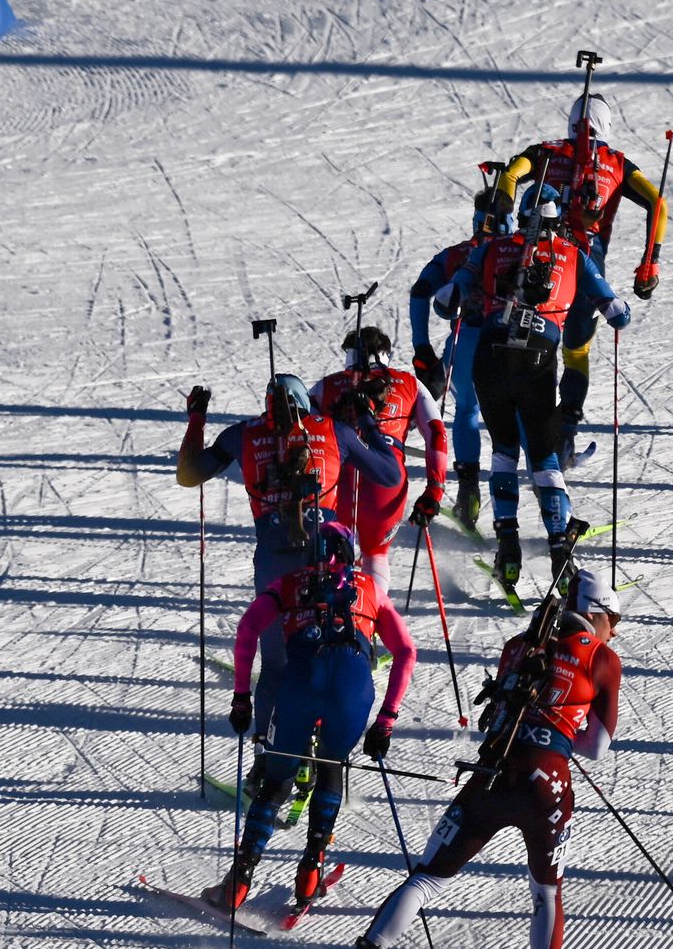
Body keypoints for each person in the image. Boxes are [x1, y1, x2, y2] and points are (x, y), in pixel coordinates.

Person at [312, 568, 624, 949]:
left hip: (492, 777)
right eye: (613, 618)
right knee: (545, 892)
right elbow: (598, 747)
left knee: (427, 879)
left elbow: (496, 716)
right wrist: (559, 734)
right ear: (595, 613)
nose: (615, 629)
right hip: (549, 785)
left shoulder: (519, 644)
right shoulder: (603, 656)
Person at [178, 374, 401, 740]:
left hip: (273, 563)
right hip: (325, 564)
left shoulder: (243, 434)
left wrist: (197, 420)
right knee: (332, 651)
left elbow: (189, 475)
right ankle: (325, 755)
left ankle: (266, 757)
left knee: (276, 665)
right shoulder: (333, 430)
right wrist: (367, 421)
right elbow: (390, 474)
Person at [210, 523, 418, 911]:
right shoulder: (371, 590)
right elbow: (406, 651)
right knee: (331, 769)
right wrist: (386, 720)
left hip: (300, 684)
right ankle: (309, 873)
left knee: (276, 780)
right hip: (352, 690)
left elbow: (247, 629)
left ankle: (239, 880)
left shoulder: (289, 583)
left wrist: (242, 698)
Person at [439, 185, 630, 586]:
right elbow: (616, 313)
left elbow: (448, 297)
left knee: (505, 453)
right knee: (543, 459)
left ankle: (508, 548)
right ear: (558, 217)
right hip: (538, 360)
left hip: (490, 359)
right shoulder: (572, 253)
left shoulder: (492, 248)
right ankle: (560, 549)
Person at [490, 92, 671, 467]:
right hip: (586, 268)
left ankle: (510, 432)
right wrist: (649, 265)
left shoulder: (545, 151)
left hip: (536, 258)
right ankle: (565, 434)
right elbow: (658, 203)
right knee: (575, 350)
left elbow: (509, 176)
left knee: (523, 338)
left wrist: (504, 218)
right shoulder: (618, 163)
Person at [310, 326, 450, 590]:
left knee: (335, 552)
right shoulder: (408, 383)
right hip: (385, 481)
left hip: (338, 480)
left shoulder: (325, 385)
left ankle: (334, 618)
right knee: (376, 553)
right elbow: (436, 433)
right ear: (385, 354)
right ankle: (369, 620)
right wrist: (435, 489)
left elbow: (305, 430)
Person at [409, 190, 497, 529]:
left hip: (466, 343)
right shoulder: (518, 250)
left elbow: (420, 292)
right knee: (519, 415)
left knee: (468, 411)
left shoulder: (459, 254)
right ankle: (550, 505)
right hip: (513, 345)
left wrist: (422, 348)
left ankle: (468, 494)